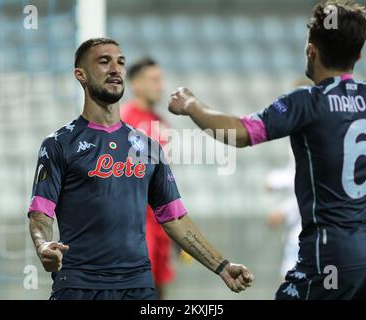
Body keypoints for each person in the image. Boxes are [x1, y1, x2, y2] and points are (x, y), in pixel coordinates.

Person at [168, 1, 366, 300]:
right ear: (359, 54)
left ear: (311, 50)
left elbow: (241, 133)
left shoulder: (306, 102)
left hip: (331, 252)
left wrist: (192, 105)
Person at [27, 38, 253, 300]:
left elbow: (174, 218)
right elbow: (40, 213)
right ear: (81, 75)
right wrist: (43, 244)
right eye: (104, 61)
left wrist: (221, 266)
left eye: (120, 62)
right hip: (79, 285)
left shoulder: (148, 146)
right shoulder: (58, 144)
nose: (115, 68)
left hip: (139, 286)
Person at [120, 57, 176, 299]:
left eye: (160, 79)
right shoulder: (122, 120)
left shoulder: (163, 124)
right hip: (134, 220)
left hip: (160, 219)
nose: (160, 86)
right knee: (137, 287)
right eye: (154, 80)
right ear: (136, 83)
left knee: (158, 288)